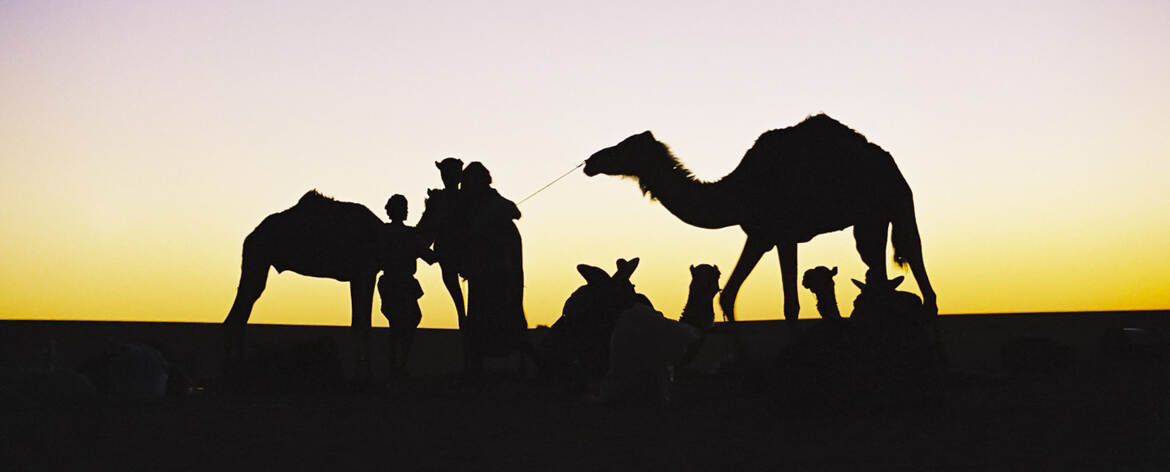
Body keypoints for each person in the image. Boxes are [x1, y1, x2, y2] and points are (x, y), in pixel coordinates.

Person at [456, 162, 530, 368]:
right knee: (480, 315)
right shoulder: (468, 204)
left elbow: (514, 211)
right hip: (482, 269)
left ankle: (513, 363)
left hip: (501, 270)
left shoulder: (493, 200)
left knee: (504, 311)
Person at [378, 194, 438, 378]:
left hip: (392, 284)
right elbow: (429, 256)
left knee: (399, 325)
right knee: (403, 324)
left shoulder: (384, 233)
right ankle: (398, 366)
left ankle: (396, 366)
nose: (405, 210)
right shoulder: (409, 235)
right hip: (399, 284)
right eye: (402, 207)